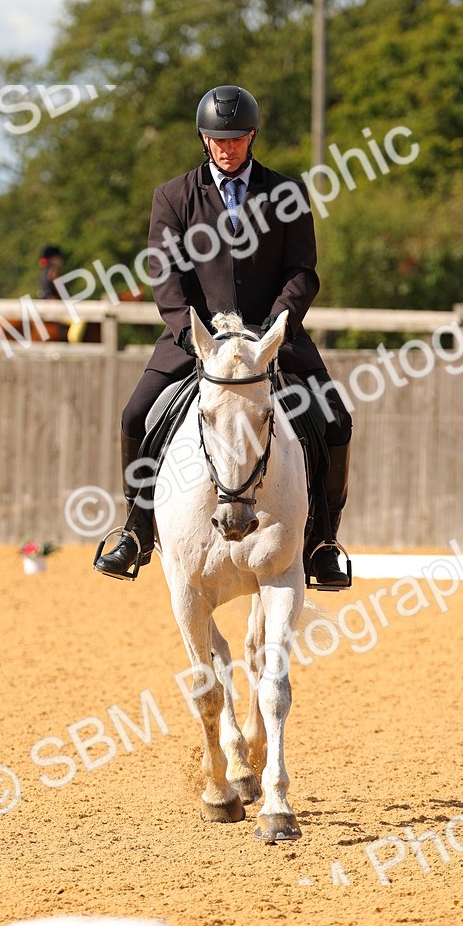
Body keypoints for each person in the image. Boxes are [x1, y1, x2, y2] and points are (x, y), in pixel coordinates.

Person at [95, 84, 352, 586]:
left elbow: (302, 272)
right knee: (133, 417)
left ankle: (322, 540)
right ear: (203, 139)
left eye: (236, 138)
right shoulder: (173, 196)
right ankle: (136, 528)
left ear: (252, 137)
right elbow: (165, 274)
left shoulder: (287, 195)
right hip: (196, 337)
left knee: (336, 422)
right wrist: (190, 331)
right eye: (218, 139)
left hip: (273, 337)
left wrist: (275, 327)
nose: (227, 148)